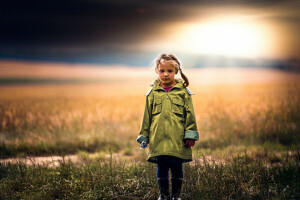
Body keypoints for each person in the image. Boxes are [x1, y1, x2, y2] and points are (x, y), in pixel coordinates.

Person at [136, 53, 199, 200]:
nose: (165, 74)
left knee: (177, 166)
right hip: (158, 137)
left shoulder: (183, 92)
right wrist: (144, 137)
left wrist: (190, 136)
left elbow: (190, 115)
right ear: (157, 71)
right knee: (162, 166)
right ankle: (163, 196)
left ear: (176, 71)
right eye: (162, 71)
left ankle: (176, 196)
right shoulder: (152, 93)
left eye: (169, 71)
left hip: (177, 138)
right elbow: (147, 117)